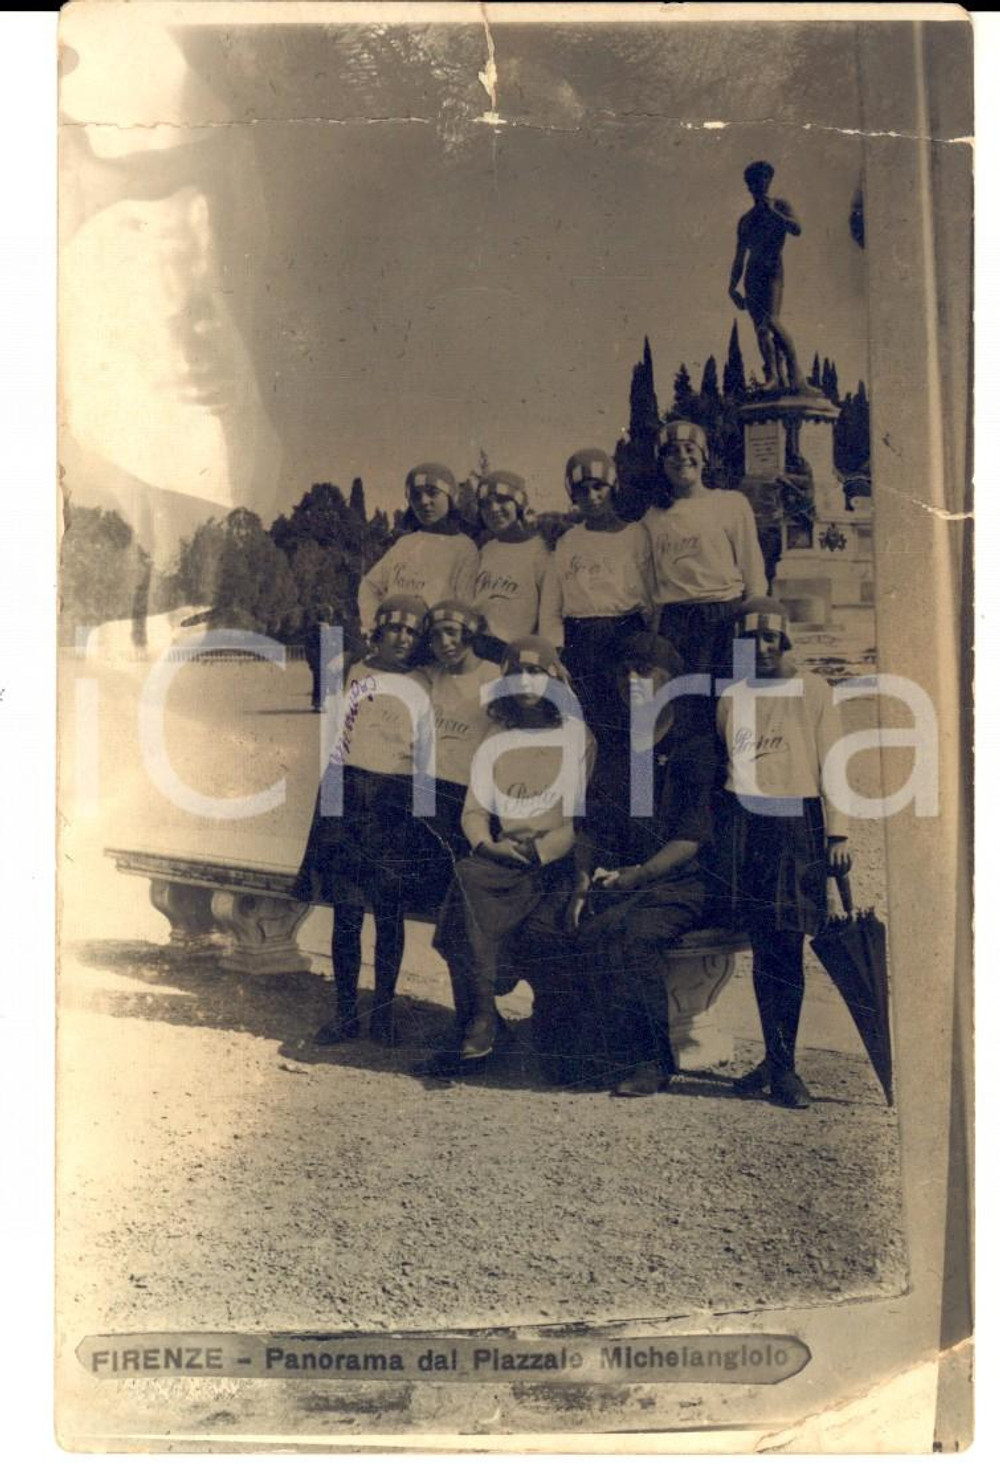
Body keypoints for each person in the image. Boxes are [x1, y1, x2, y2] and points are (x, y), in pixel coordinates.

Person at [418, 638, 594, 1076]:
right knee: (467, 878)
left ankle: (481, 1022)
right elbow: (475, 811)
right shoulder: (496, 735)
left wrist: (539, 851)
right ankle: (480, 1019)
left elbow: (576, 821)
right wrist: (487, 844)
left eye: (536, 673)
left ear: (555, 679)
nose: (526, 683)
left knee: (475, 902)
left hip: (552, 864)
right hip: (502, 857)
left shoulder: (576, 736)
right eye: (516, 674)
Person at [716, 596, 851, 1109]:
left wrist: (837, 834)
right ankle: (775, 1059)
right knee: (761, 946)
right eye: (751, 640)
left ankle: (785, 1067)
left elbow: (833, 763)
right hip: (749, 827)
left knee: (787, 946)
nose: (762, 648)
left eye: (770, 638)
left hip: (797, 825)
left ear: (784, 641)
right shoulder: (733, 697)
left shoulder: (813, 691)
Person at [569, 635, 719, 1096]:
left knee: (633, 936)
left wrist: (641, 874)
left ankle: (651, 1060)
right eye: (624, 672)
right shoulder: (616, 747)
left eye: (645, 671)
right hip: (621, 879)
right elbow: (591, 826)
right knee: (573, 928)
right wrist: (581, 882)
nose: (632, 681)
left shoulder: (693, 747)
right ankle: (596, 1050)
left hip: (679, 883)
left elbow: (690, 839)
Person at [292, 594, 432, 1048]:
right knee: (347, 914)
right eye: (395, 629)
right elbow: (337, 741)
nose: (402, 639)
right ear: (379, 631)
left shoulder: (425, 683)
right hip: (350, 795)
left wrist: (418, 820)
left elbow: (427, 755)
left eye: (412, 632)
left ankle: (383, 1014)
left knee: (389, 917)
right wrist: (329, 815)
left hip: (395, 803)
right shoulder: (354, 671)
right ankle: (346, 1013)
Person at [539, 448, 655, 742]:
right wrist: (556, 651)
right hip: (581, 641)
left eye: (598, 487)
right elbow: (552, 605)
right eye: (582, 490)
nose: (591, 496)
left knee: (629, 722)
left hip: (626, 636)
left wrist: (649, 643)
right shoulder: (568, 541)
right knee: (588, 721)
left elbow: (651, 594)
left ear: (612, 487)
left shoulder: (635, 534)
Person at [645, 420, 767, 694]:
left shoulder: (730, 503)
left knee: (732, 701)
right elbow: (651, 579)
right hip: (677, 622)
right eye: (672, 452)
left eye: (689, 449)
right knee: (684, 704)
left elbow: (752, 567)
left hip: (726, 615)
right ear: (661, 462)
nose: (682, 457)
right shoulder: (653, 517)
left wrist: (754, 619)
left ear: (704, 456)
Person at [416, 601, 502, 907]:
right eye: (436, 636)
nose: (445, 643)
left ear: (470, 632)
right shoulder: (431, 676)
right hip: (431, 792)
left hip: (469, 797)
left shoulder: (494, 677)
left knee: (460, 895)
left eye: (452, 632)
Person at [357, 464, 479, 634]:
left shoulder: (464, 548)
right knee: (330, 640)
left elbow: (463, 607)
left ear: (450, 497)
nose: (424, 501)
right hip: (395, 640)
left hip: (431, 640)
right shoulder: (405, 543)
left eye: (433, 493)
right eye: (416, 496)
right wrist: (375, 624)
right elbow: (369, 586)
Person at [727, 160, 805, 394]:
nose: (759, 183)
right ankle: (773, 376)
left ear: (769, 180)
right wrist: (732, 287)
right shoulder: (746, 220)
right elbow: (739, 256)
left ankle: (795, 374)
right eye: (753, 180)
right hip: (753, 274)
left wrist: (773, 213)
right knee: (761, 330)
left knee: (771, 320)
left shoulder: (780, 205)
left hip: (773, 270)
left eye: (763, 178)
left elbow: (797, 229)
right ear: (749, 186)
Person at [472, 470, 550, 646]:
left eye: (502, 500)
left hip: (517, 648)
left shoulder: (540, 551)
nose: (493, 509)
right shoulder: (486, 550)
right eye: (486, 504)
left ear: (519, 504)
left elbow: (549, 613)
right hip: (481, 646)